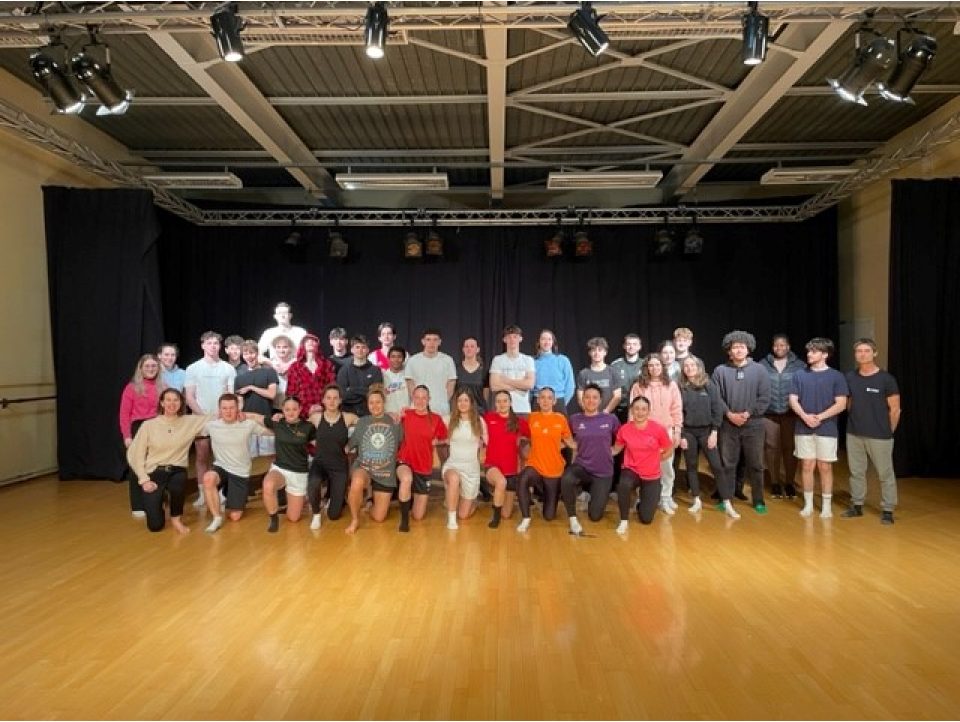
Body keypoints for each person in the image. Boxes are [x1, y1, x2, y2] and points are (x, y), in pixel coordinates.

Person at [126, 388, 212, 534]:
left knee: (178, 484)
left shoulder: (189, 422)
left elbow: (216, 417)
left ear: (181, 403)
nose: (172, 403)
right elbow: (134, 454)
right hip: (154, 471)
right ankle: (160, 500)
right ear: (162, 403)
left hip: (177, 469)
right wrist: (144, 480)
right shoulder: (149, 425)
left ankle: (176, 519)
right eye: (168, 400)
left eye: (176, 400)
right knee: (155, 526)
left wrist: (243, 413)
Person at [842, 338, 901, 525]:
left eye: (867, 351)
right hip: (854, 433)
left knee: (885, 473)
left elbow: (895, 409)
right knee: (856, 471)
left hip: (880, 435)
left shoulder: (886, 379)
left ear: (874, 353)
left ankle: (888, 509)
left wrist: (888, 431)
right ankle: (857, 504)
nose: (862, 354)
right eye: (859, 351)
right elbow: (848, 403)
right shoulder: (850, 377)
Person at [711, 330, 771, 514]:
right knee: (727, 464)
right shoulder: (720, 371)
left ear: (748, 349)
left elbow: (764, 397)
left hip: (754, 425)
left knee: (756, 464)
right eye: (734, 347)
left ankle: (758, 500)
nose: (738, 350)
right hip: (728, 425)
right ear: (729, 351)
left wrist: (747, 413)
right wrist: (729, 414)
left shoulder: (760, 370)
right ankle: (726, 499)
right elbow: (716, 397)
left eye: (741, 347)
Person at [789, 337, 848, 519]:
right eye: (808, 351)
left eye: (814, 351)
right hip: (803, 427)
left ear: (825, 354)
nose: (809, 354)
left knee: (825, 466)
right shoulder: (799, 375)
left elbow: (841, 404)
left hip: (827, 428)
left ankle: (826, 506)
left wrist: (820, 417)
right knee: (806, 465)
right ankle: (807, 504)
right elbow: (792, 400)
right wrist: (805, 416)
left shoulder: (836, 376)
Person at [200, 393, 270, 533]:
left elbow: (271, 432)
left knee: (235, 516)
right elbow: (190, 431)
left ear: (238, 408)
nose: (228, 411)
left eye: (232, 408)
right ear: (219, 410)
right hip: (221, 467)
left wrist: (251, 416)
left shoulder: (248, 424)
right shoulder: (211, 426)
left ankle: (230, 494)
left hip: (240, 472)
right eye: (224, 408)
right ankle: (217, 518)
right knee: (208, 478)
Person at [184, 331, 236, 509]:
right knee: (201, 456)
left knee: (222, 456)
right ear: (202, 345)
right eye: (209, 343)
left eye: (216, 343)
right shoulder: (193, 368)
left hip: (223, 418)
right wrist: (203, 416)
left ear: (220, 346)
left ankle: (220, 491)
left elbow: (230, 394)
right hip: (200, 419)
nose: (213, 346)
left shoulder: (228, 368)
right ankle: (202, 493)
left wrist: (224, 414)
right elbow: (189, 397)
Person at [678, 356, 735, 517]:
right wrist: (681, 435)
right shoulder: (680, 387)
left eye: (692, 365)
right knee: (691, 466)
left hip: (707, 432)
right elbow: (678, 413)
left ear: (699, 366)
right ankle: (696, 500)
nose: (689, 368)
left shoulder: (708, 384)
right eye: (686, 366)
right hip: (688, 432)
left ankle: (727, 502)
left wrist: (714, 432)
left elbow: (717, 408)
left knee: (717, 466)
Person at [561, 384, 620, 533]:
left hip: (603, 472)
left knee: (595, 516)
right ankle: (573, 519)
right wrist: (571, 445)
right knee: (567, 478)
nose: (590, 400)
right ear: (582, 400)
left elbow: (623, 438)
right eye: (587, 397)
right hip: (582, 467)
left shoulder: (610, 419)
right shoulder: (574, 419)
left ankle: (591, 496)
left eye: (594, 398)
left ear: (600, 400)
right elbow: (565, 437)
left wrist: (614, 450)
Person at [344, 388, 404, 534]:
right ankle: (355, 519)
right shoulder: (362, 422)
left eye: (378, 402)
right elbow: (349, 446)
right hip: (364, 467)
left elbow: (404, 444)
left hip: (385, 473)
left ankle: (370, 504)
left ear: (384, 402)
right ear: (367, 404)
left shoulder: (395, 422)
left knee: (379, 518)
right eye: (371, 403)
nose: (375, 405)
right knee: (357, 481)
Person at [516, 387, 576, 532]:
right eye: (542, 397)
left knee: (549, 516)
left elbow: (570, 443)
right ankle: (525, 518)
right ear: (537, 400)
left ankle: (546, 495)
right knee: (523, 478)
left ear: (554, 401)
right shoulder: (532, 417)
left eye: (549, 398)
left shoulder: (560, 419)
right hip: (535, 465)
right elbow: (522, 438)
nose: (545, 401)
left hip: (553, 470)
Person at [629, 353, 682, 515]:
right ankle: (642, 497)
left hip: (665, 431)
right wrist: (634, 433)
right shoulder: (639, 386)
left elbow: (676, 409)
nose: (654, 368)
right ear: (646, 368)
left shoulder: (671, 385)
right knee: (644, 467)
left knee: (666, 466)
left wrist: (677, 431)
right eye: (651, 365)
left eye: (657, 365)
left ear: (662, 367)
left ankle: (665, 497)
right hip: (644, 432)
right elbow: (633, 411)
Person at [611, 395, 673, 533]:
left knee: (646, 519)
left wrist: (658, 459)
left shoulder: (658, 429)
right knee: (623, 484)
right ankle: (623, 520)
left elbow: (669, 449)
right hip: (631, 469)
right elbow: (615, 449)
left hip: (651, 474)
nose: (640, 412)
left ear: (648, 411)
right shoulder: (625, 429)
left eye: (643, 409)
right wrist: (596, 452)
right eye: (636, 409)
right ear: (632, 410)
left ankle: (641, 504)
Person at [260, 396, 317, 532]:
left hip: (299, 472)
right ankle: (273, 519)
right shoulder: (277, 423)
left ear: (300, 410)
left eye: (294, 409)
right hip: (280, 468)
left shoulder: (308, 427)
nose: (291, 412)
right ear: (282, 410)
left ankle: (297, 500)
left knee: (293, 518)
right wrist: (242, 414)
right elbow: (257, 417)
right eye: (287, 409)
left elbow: (319, 444)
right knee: (268, 485)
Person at [760, 334, 806, 499]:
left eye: (782, 345)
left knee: (790, 448)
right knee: (772, 448)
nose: (779, 348)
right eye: (776, 345)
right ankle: (774, 482)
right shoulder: (763, 365)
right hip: (769, 414)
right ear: (772, 347)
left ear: (788, 346)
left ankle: (789, 482)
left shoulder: (799, 366)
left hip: (791, 414)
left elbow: (804, 388)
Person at [306, 384, 358, 530]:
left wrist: (351, 444)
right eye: (328, 398)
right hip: (320, 463)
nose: (332, 401)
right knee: (313, 483)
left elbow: (365, 427)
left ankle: (331, 499)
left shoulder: (348, 418)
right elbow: (299, 427)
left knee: (334, 515)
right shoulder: (316, 418)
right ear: (323, 400)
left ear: (340, 400)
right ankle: (316, 513)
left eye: (335, 398)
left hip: (339, 467)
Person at [396, 385, 449, 528]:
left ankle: (410, 500)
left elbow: (446, 438)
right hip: (405, 462)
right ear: (412, 398)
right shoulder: (406, 414)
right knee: (406, 479)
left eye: (424, 397)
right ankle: (404, 522)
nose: (420, 401)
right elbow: (393, 423)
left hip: (423, 468)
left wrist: (438, 441)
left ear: (429, 399)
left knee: (418, 516)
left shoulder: (436, 419)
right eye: (417, 397)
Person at [119, 354, 163, 519]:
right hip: (138, 428)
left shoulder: (163, 387)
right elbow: (124, 414)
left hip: (158, 428)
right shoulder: (132, 387)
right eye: (147, 366)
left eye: (154, 366)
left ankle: (154, 502)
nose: (151, 369)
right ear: (141, 368)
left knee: (156, 466)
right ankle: (138, 505)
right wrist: (127, 436)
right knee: (137, 466)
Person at [441, 389, 489, 529]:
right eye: (459, 400)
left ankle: (470, 500)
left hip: (471, 470)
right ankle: (451, 519)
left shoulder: (479, 421)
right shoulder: (448, 419)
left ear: (471, 403)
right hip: (452, 465)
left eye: (466, 400)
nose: (462, 403)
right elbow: (431, 427)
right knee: (454, 478)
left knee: (463, 515)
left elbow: (487, 443)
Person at [483, 390, 530, 528]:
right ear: (495, 404)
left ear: (510, 403)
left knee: (507, 514)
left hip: (511, 471)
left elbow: (531, 438)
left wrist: (523, 452)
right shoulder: (488, 418)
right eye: (498, 401)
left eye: (505, 401)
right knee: (501, 482)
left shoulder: (519, 422)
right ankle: (495, 518)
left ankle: (500, 506)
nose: (502, 404)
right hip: (492, 465)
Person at [234, 339, 278, 457]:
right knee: (249, 458)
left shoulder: (269, 372)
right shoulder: (239, 378)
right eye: (246, 353)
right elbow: (239, 402)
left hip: (265, 421)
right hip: (247, 422)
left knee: (269, 457)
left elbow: (271, 394)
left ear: (257, 353)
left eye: (252, 352)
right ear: (243, 356)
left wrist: (251, 387)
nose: (249, 356)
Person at [404, 328, 458, 418]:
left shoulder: (448, 360)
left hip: (441, 410)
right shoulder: (413, 360)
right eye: (428, 339)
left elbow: (451, 385)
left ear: (440, 342)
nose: (431, 343)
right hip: (418, 410)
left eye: (435, 340)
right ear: (423, 341)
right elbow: (410, 385)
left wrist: (442, 400)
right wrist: (419, 402)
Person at [285, 332, 337, 419]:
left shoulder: (327, 364)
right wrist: (305, 409)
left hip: (325, 410)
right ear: (303, 345)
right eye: (307, 341)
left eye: (313, 341)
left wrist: (323, 406)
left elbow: (332, 388)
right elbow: (291, 393)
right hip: (301, 412)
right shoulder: (295, 367)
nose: (310, 342)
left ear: (318, 345)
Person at [489, 324, 536, 415]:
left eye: (515, 337)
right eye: (509, 337)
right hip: (503, 410)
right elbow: (494, 386)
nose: (512, 340)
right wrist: (520, 387)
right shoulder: (497, 360)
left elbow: (530, 384)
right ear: (504, 340)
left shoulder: (528, 360)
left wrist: (506, 380)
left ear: (520, 339)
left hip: (523, 409)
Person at [337, 334, 383, 416]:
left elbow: (376, 394)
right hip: (348, 414)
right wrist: (365, 391)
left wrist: (352, 390)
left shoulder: (375, 371)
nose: (360, 350)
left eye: (363, 347)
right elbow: (342, 396)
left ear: (368, 350)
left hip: (369, 414)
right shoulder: (344, 371)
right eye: (357, 347)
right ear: (352, 350)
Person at [532, 329, 575, 412]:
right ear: (539, 342)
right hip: (538, 401)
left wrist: (561, 403)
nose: (546, 342)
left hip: (558, 401)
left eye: (549, 339)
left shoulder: (563, 360)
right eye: (543, 339)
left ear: (553, 342)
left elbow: (570, 385)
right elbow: (530, 386)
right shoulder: (533, 361)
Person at [576, 337, 621, 414]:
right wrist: (589, 411)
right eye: (593, 350)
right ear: (589, 353)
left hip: (608, 415)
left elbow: (617, 396)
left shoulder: (613, 372)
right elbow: (580, 397)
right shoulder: (583, 373)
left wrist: (606, 411)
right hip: (589, 416)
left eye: (600, 350)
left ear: (605, 352)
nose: (597, 353)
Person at [610, 334, 643, 424]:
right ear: (624, 346)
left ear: (639, 347)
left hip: (640, 409)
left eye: (634, 344)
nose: (631, 347)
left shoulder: (645, 365)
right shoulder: (615, 365)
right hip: (620, 409)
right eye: (628, 344)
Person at [456, 336, 488, 413]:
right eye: (466, 346)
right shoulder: (456, 369)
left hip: (479, 412)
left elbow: (485, 395)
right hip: (460, 411)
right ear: (463, 349)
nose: (469, 349)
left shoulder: (484, 370)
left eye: (472, 346)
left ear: (477, 350)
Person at [268, 334, 296, 407]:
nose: (281, 350)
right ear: (275, 348)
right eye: (278, 347)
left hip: (291, 403)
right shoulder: (270, 363)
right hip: (274, 404)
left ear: (290, 348)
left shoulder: (296, 363)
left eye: (285, 347)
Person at [383, 346, 410, 414]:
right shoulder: (382, 377)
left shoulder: (409, 376)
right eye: (393, 357)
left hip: (407, 415)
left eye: (399, 357)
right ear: (388, 359)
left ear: (404, 359)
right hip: (388, 416)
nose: (396, 360)